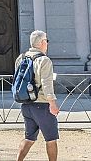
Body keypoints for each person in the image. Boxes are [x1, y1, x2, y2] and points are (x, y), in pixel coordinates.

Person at [15, 29, 59, 161]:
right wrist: (52, 104)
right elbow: (46, 84)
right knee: (51, 139)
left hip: (26, 104)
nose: (47, 44)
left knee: (29, 138)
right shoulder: (44, 60)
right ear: (42, 42)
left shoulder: (21, 58)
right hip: (42, 104)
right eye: (46, 41)